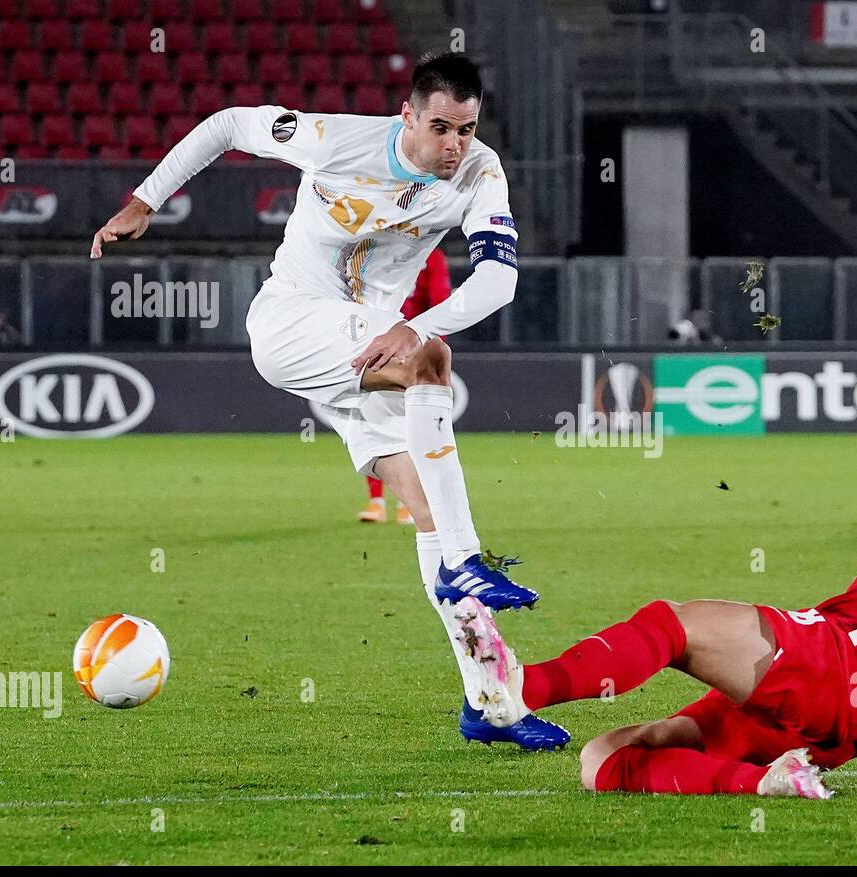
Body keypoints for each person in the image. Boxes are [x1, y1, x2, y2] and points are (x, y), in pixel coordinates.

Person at [89, 52, 568, 751]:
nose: (454, 145)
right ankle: (467, 555)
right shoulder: (334, 139)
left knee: (425, 502)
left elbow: (499, 282)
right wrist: (144, 201)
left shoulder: (478, 171)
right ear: (408, 117)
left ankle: (490, 701)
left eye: (466, 129)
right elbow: (228, 125)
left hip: (367, 343)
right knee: (431, 360)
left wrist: (410, 324)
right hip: (291, 325)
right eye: (441, 128)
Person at [452, 272, 857, 796]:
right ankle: (770, 781)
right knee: (605, 758)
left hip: (840, 666)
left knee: (675, 623)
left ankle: (519, 686)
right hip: (840, 710)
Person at [359, 249, 453, 526]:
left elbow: (438, 301)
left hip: (402, 349)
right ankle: (381, 502)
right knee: (385, 423)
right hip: (383, 347)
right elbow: (441, 303)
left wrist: (430, 350)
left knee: (394, 425)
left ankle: (402, 502)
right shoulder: (419, 253)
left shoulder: (427, 256)